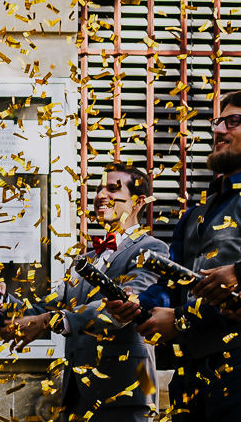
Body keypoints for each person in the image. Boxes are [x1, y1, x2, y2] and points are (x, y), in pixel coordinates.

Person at [0, 163, 165, 422]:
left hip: (126, 390)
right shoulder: (85, 258)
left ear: (138, 201)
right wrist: (2, 300)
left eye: (112, 188)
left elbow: (122, 308)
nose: (101, 195)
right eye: (99, 188)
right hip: (77, 396)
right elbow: (47, 307)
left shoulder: (153, 249)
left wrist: (48, 321)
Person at [120, 91, 241, 421]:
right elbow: (169, 281)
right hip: (192, 375)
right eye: (217, 122)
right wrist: (140, 303)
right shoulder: (195, 215)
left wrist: (182, 319)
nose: (218, 131)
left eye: (234, 122)